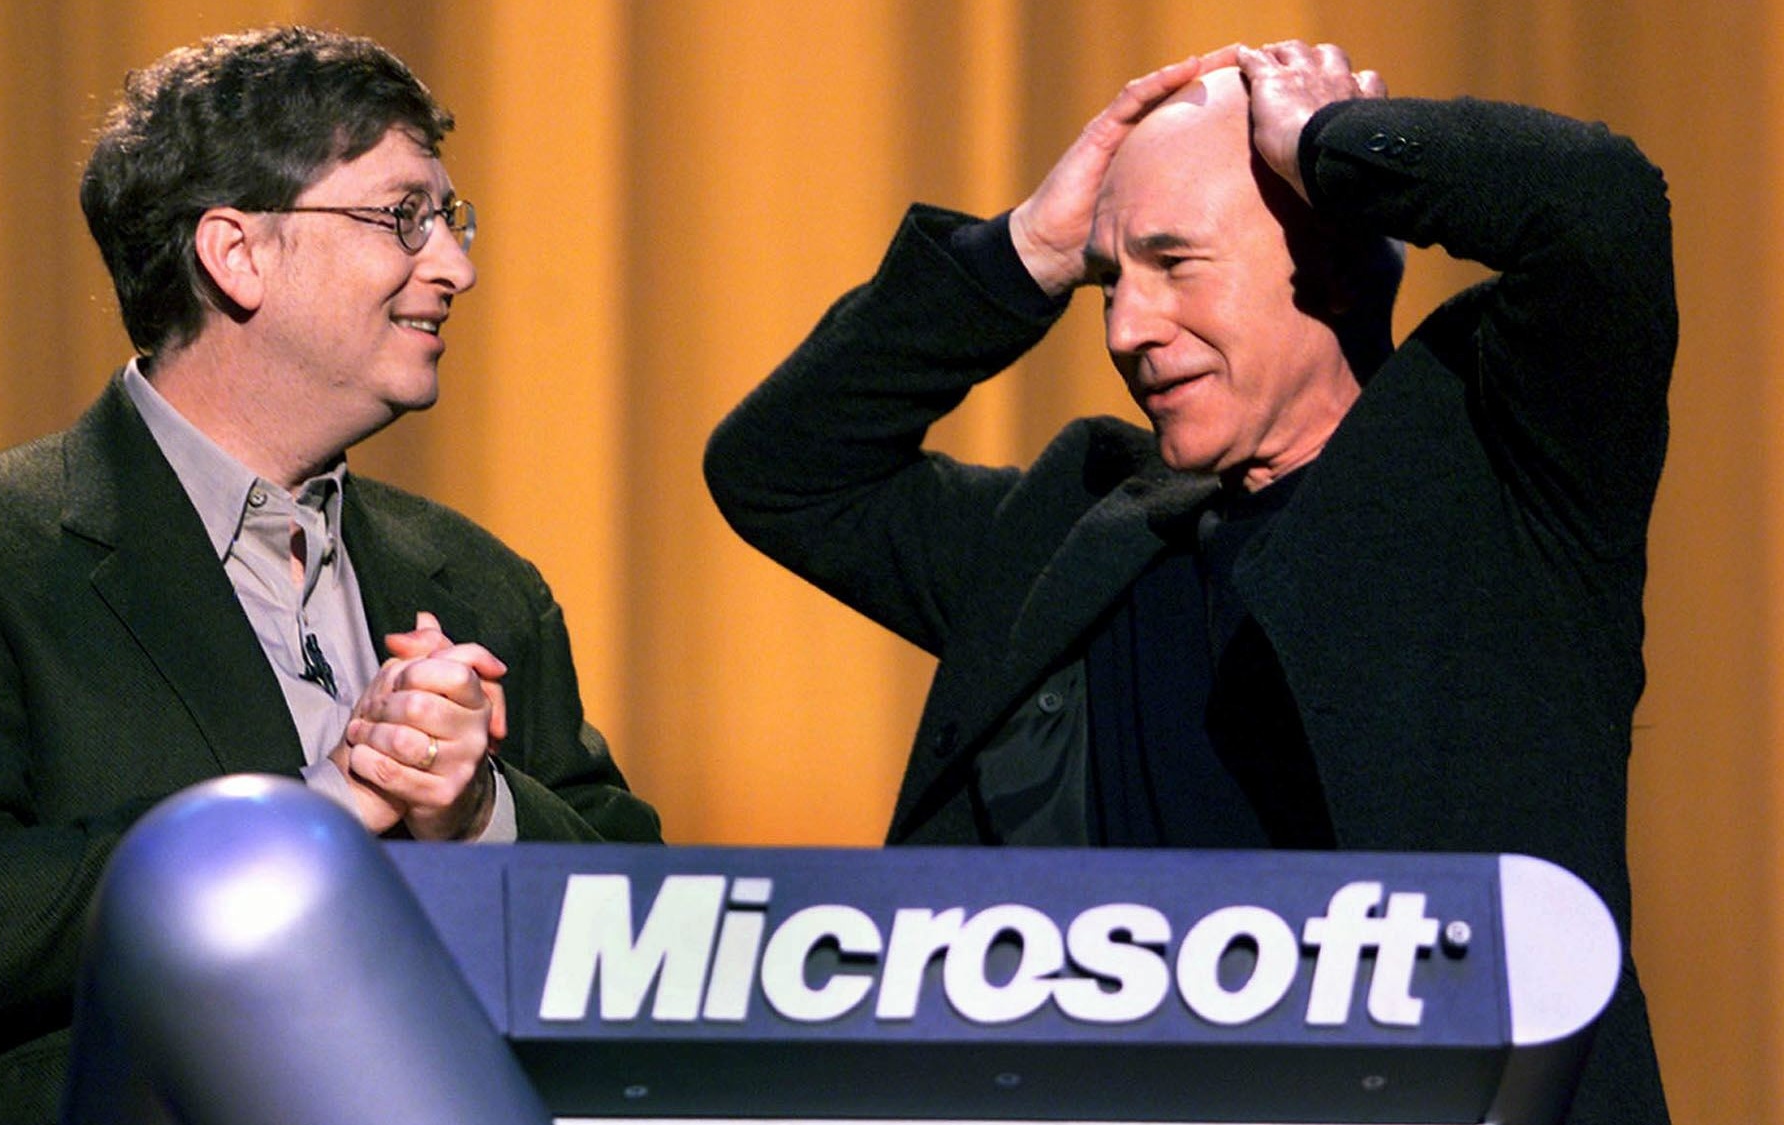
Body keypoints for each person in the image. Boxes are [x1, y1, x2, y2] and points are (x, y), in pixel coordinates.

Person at [706, 40, 1672, 1124]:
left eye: (1174, 264)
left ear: (1334, 260)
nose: (1126, 328)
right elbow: (782, 472)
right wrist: (1029, 251)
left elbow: (1601, 207)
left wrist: (1334, 145)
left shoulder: (1503, 475)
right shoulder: (1076, 532)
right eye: (1111, 282)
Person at [0, 26, 660, 1125]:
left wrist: (474, 810)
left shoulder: (481, 583)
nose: (455, 267)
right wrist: (315, 812)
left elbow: (648, 937)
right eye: (402, 216)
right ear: (236, 254)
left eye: (449, 220)